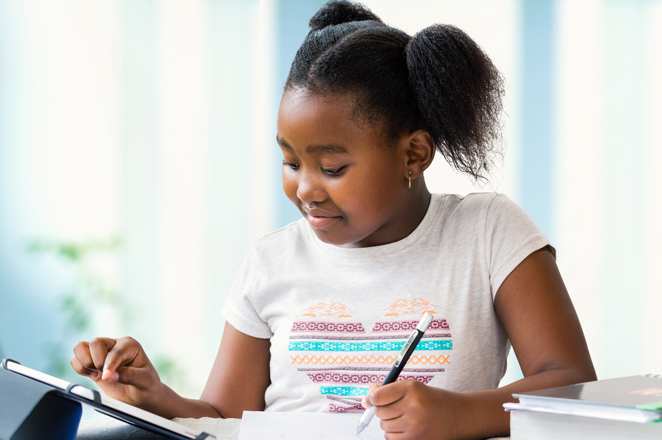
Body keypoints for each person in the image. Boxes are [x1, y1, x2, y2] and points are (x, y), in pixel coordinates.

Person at [70, 2, 596, 439]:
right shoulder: (271, 261)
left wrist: (458, 414)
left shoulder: (487, 232)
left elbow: (571, 382)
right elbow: (229, 421)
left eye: (333, 167)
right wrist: (158, 399)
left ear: (413, 155)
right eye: (291, 162)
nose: (305, 189)